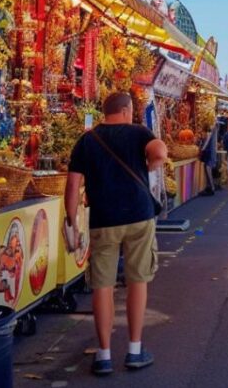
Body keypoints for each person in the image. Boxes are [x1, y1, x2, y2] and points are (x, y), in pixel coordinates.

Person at [66, 92, 167, 375]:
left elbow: (72, 186)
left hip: (103, 219)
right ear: (126, 110)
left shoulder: (88, 140)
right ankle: (135, 350)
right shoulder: (138, 132)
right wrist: (151, 166)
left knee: (103, 285)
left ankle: (104, 355)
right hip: (138, 216)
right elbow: (160, 151)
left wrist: (70, 221)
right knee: (138, 281)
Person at [198, 125, 220, 195]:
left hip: (209, 151)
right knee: (206, 167)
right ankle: (209, 186)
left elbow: (207, 139)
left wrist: (202, 149)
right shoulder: (214, 128)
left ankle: (211, 187)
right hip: (210, 151)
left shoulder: (211, 129)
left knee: (208, 168)